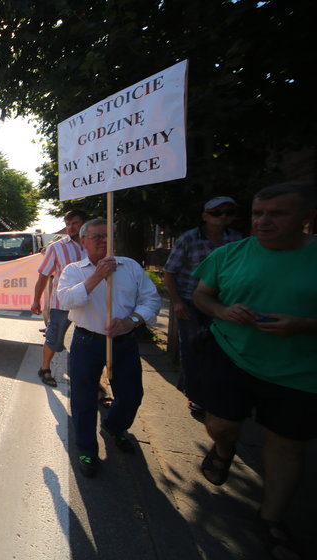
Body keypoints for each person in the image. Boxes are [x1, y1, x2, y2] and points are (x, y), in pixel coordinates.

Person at [192, 183, 317, 558]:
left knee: (287, 445)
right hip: (231, 353)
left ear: (306, 218)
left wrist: (304, 325)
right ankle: (223, 448)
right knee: (221, 424)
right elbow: (202, 294)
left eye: (276, 214)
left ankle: (271, 518)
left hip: (299, 369)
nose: (263, 221)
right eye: (259, 213)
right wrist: (221, 311)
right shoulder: (230, 254)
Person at [57, 219, 160, 478]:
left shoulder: (131, 267)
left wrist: (132, 320)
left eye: (107, 236)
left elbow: (151, 299)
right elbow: (66, 299)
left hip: (123, 342)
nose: (103, 240)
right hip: (87, 342)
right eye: (97, 236)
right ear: (84, 242)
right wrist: (96, 277)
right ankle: (86, 450)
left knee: (131, 395)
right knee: (83, 399)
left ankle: (113, 427)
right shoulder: (74, 270)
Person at [163, 196, 242, 413]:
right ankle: (195, 394)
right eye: (217, 213)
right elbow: (169, 273)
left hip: (223, 302)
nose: (223, 217)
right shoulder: (189, 239)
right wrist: (177, 302)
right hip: (189, 299)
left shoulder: (236, 239)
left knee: (220, 345)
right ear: (205, 216)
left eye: (229, 213)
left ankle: (210, 386)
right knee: (192, 345)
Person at [30, 209, 88, 387]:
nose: (70, 227)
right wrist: (36, 300)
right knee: (54, 337)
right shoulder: (57, 248)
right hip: (62, 303)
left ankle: (92, 378)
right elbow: (43, 276)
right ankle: (45, 368)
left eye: (75, 223)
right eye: (68, 224)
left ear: (84, 223)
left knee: (91, 340)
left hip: (90, 303)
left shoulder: (95, 244)